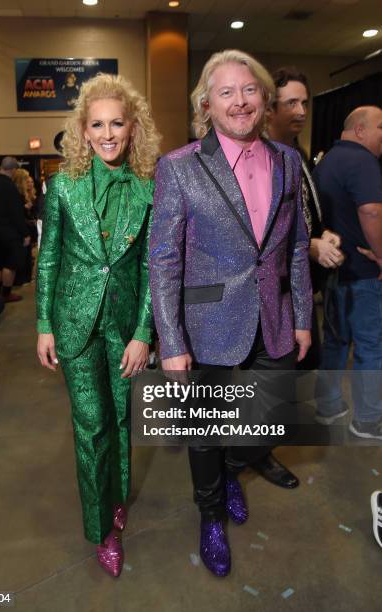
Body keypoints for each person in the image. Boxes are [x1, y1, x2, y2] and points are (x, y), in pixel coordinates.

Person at [149, 49, 312, 577]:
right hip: (205, 321)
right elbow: (165, 259)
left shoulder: (289, 160)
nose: (239, 101)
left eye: (249, 90)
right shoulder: (178, 167)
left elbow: (293, 247)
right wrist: (170, 341)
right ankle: (211, 513)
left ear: (264, 99)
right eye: (226, 92)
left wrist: (304, 315)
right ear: (206, 103)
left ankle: (234, 470)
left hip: (275, 312)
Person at [36, 73, 160, 577]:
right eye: (97, 125)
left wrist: (143, 332)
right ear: (83, 131)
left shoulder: (149, 187)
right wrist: (44, 323)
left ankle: (117, 498)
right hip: (75, 324)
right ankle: (102, 531)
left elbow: (155, 265)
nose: (107, 134)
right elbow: (48, 260)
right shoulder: (62, 187)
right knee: (91, 428)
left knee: (122, 421)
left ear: (133, 129)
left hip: (125, 328)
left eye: (117, 123)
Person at [266, 67, 345, 371]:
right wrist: (309, 245)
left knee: (300, 370)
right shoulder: (261, 156)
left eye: (304, 103)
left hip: (302, 281)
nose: (300, 112)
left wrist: (323, 234)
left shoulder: (295, 152)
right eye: (291, 103)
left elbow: (305, 207)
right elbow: (258, 230)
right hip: (276, 288)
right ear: (270, 108)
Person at [313, 106, 382, 439]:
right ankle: (368, 419)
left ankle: (329, 406)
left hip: (333, 271)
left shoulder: (326, 162)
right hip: (364, 273)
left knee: (336, 341)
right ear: (359, 129)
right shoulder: (363, 160)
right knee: (371, 346)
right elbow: (371, 212)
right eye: (381, 127)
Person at [0, 156, 30, 302]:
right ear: (14, 170)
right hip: (8, 233)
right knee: (11, 263)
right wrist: (25, 233)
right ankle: (7, 293)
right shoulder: (9, 186)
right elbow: (16, 213)